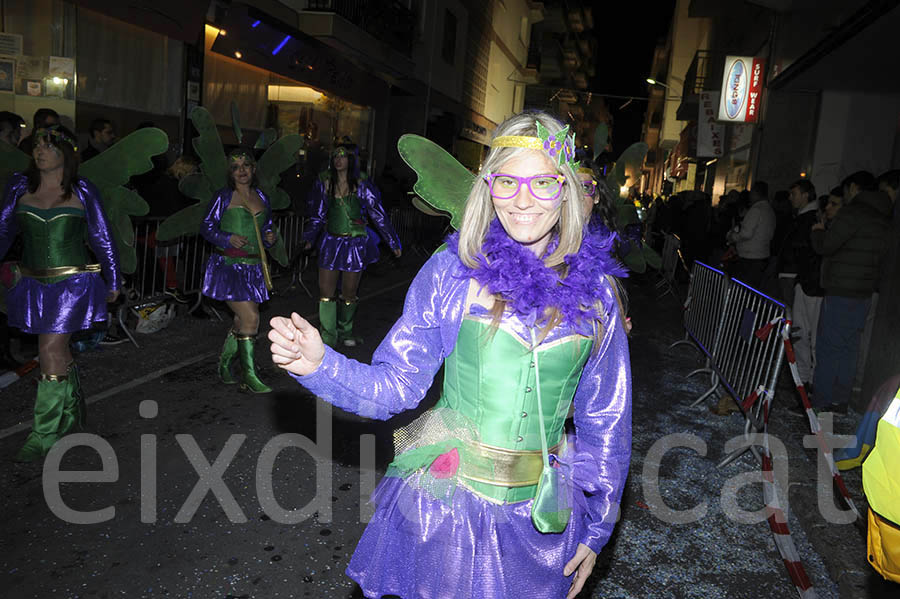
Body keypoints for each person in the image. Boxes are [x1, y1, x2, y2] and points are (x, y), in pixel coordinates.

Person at [270, 111, 632, 598]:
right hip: (449, 512)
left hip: (542, 520)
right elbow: (396, 385)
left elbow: (606, 419)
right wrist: (320, 365)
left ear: (566, 189)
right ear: (488, 187)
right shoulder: (453, 272)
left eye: (542, 183)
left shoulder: (598, 294)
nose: (523, 201)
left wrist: (597, 529)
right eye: (507, 182)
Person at [0, 125, 120, 461]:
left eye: (48, 146)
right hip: (33, 285)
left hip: (72, 286)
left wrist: (113, 281)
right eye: (35, 145)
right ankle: (71, 407)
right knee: (58, 349)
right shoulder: (18, 187)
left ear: (65, 153)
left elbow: (102, 238)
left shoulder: (82, 190)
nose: (39, 151)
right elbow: (2, 231)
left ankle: (43, 433)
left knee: (50, 349)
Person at [302, 140, 401, 347]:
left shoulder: (362, 183)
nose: (338, 160)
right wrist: (309, 238)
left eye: (343, 156)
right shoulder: (324, 182)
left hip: (354, 245)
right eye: (335, 156)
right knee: (326, 293)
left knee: (349, 293)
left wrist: (392, 242)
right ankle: (328, 336)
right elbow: (318, 215)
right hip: (330, 243)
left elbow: (377, 214)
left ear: (351, 160)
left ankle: (345, 331)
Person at [811, 171, 891, 413]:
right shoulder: (883, 216)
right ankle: (840, 399)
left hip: (841, 288)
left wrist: (817, 231)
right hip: (864, 290)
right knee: (849, 348)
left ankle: (822, 400)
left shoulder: (853, 212)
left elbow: (827, 245)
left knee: (829, 347)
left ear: (854, 188)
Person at [201, 148, 276, 394]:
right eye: (236, 167)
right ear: (230, 173)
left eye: (246, 165)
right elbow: (206, 227)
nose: (241, 170)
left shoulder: (262, 197)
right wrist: (226, 237)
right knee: (252, 318)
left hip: (254, 269)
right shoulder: (223, 196)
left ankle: (224, 363)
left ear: (253, 169)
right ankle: (249, 376)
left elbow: (267, 228)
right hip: (229, 268)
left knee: (241, 319)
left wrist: (269, 238)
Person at [726, 181, 775, 288]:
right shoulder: (769, 210)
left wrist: (732, 236)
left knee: (744, 288)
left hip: (750, 257)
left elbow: (746, 233)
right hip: (762, 255)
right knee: (753, 288)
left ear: (755, 193)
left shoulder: (756, 210)